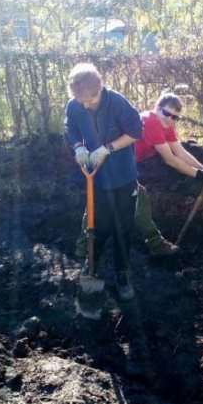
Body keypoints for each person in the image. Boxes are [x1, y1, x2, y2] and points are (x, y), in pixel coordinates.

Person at [76, 92, 203, 258]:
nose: (170, 119)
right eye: (166, 113)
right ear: (157, 109)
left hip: (120, 165)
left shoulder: (166, 126)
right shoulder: (150, 122)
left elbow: (179, 152)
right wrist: (199, 175)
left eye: (175, 117)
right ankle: (154, 243)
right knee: (129, 198)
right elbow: (170, 159)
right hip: (105, 162)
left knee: (111, 201)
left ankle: (84, 245)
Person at [65, 63, 143, 301]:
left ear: (99, 89)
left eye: (90, 100)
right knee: (97, 225)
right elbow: (70, 128)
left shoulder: (116, 102)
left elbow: (136, 131)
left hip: (123, 177)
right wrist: (78, 146)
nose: (86, 105)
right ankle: (91, 266)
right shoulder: (75, 105)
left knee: (122, 227)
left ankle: (122, 274)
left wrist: (107, 149)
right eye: (82, 102)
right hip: (96, 178)